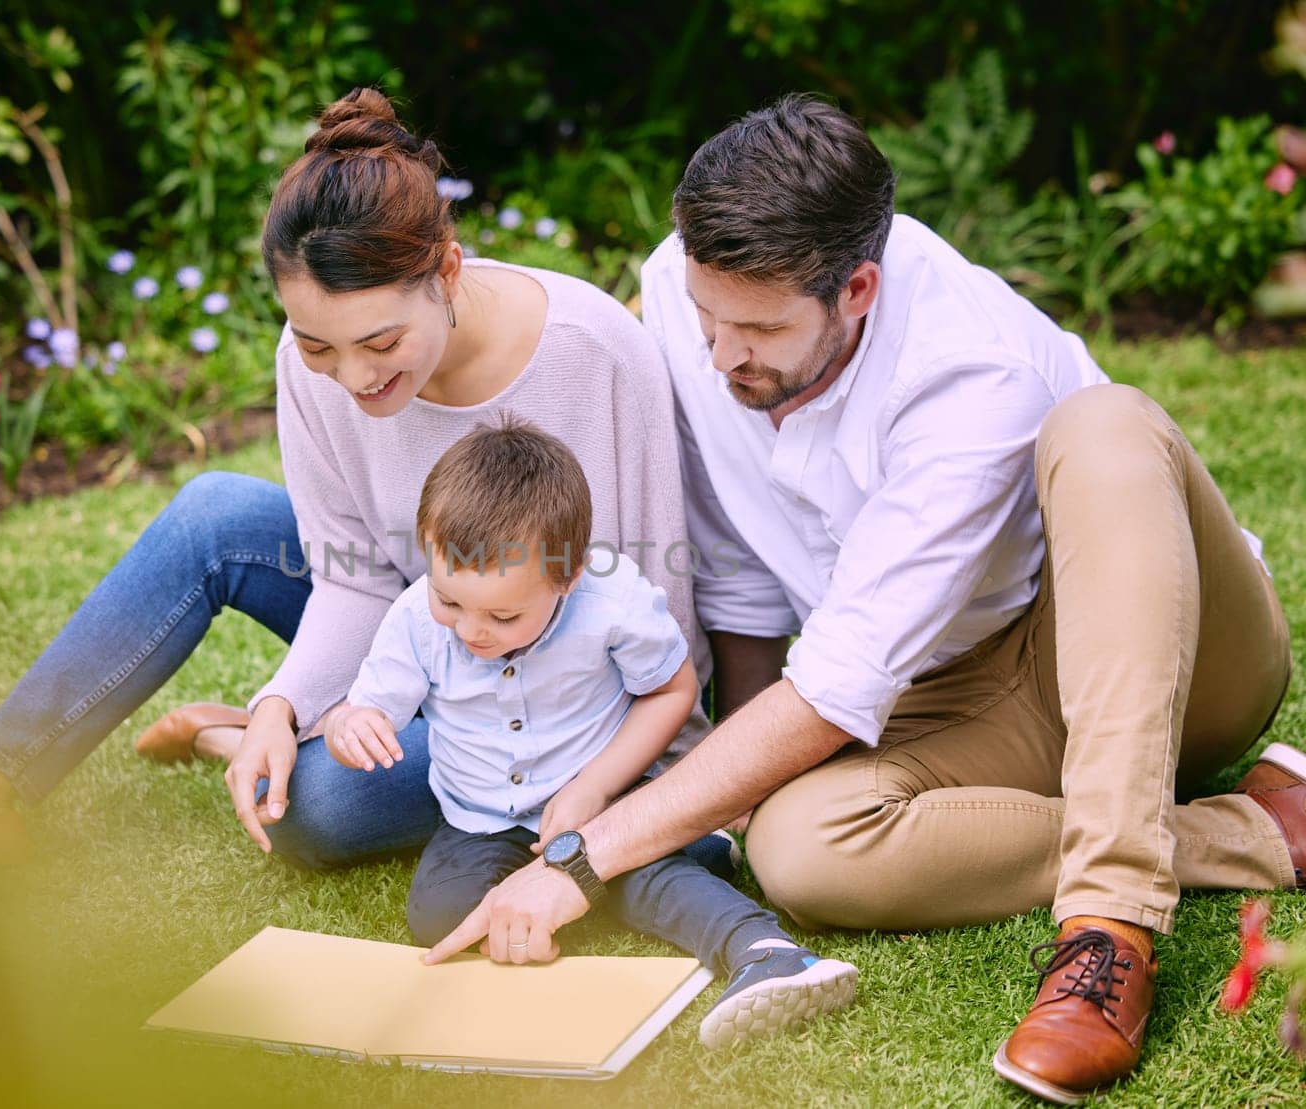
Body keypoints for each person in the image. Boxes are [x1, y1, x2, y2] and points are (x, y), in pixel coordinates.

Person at [424, 95, 1295, 1105]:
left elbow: (838, 685)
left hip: (1175, 655)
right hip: (968, 694)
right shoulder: (680, 286)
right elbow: (741, 561)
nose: (719, 355)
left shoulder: (967, 365)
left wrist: (578, 860)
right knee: (798, 847)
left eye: (756, 328)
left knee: (1101, 425)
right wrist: (734, 773)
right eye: (708, 318)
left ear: (859, 287)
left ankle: (1106, 926)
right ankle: (1260, 832)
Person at [0, 87, 720, 877]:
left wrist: (657, 787)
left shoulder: (596, 354)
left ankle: (230, 734)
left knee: (306, 809)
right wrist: (286, 702)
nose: (351, 377)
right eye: (319, 346)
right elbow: (352, 577)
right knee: (214, 513)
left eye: (381, 343)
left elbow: (654, 592)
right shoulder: (308, 361)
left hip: (558, 689)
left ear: (449, 274)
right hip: (416, 626)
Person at [329, 418, 857, 1047]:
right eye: (451, 601)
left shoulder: (612, 601)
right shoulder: (417, 616)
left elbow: (671, 690)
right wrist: (351, 724)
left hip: (604, 809)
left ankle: (765, 950)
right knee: (442, 913)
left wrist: (594, 787)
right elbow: (365, 707)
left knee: (644, 879)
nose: (471, 630)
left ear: (568, 576)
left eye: (503, 614)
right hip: (479, 817)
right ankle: (610, 890)